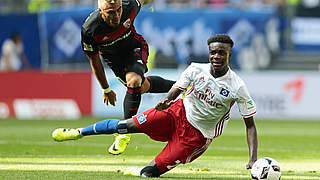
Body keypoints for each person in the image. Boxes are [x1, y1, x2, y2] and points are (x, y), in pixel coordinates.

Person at [52, 34, 258, 177]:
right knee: (126, 126)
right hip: (177, 113)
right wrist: (167, 100)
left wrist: (252, 159)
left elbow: (250, 125)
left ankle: (142, 170)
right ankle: (79, 132)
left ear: (229, 55)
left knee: (149, 173)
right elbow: (178, 88)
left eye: (222, 53)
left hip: (197, 136)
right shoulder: (196, 69)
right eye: (213, 52)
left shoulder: (237, 87)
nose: (216, 57)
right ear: (209, 53)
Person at [81, 0, 175, 155]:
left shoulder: (129, 6)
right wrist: (106, 88)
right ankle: (182, 86)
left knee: (134, 80)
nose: (116, 15)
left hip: (135, 48)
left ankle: (124, 132)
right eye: (110, 12)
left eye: (118, 10)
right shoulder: (90, 30)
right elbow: (95, 61)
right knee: (141, 87)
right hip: (115, 61)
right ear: (100, 10)